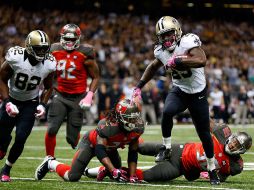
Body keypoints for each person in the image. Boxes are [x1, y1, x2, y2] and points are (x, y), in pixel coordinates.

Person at [131, 16, 220, 184]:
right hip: (179, 90)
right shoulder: (160, 51)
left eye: (169, 33)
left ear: (177, 31)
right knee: (167, 112)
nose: (166, 38)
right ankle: (166, 147)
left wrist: (180, 60)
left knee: (204, 134)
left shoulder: (187, 42)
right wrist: (139, 86)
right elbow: (152, 67)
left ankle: (211, 167)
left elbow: (202, 60)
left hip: (198, 93)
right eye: (162, 35)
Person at [86, 120, 252, 183]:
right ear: (232, 137)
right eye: (235, 142)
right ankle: (120, 138)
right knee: (140, 147)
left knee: (145, 177)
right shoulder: (221, 132)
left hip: (179, 168)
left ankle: (105, 170)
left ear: (241, 152)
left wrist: (209, 174)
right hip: (177, 149)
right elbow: (203, 117)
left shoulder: (235, 165)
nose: (233, 146)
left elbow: (223, 175)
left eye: (238, 147)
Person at [35, 99, 145, 183]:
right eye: (130, 118)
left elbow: (133, 152)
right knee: (72, 177)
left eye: (135, 117)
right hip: (91, 145)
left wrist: (132, 175)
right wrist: (112, 169)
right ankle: (51, 163)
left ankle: (89, 171)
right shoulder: (107, 126)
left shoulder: (137, 127)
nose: (134, 121)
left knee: (118, 175)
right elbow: (99, 150)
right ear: (120, 117)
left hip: (110, 149)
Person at [0, 30, 56, 182]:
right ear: (29, 47)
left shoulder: (49, 63)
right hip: (12, 98)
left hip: (30, 103)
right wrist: (7, 102)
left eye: (45, 48)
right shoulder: (16, 57)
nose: (43, 52)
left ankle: (6, 170)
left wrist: (43, 104)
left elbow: (49, 86)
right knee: (2, 138)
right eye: (39, 48)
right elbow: (2, 78)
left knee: (21, 138)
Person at [45, 24, 100, 157]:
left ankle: (74, 136)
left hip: (78, 98)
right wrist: (43, 98)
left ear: (78, 39)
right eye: (66, 39)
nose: (69, 42)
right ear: (61, 38)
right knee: (52, 128)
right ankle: (49, 158)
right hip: (60, 95)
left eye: (72, 39)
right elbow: (47, 74)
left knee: (72, 139)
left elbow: (96, 77)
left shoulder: (85, 53)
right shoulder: (53, 50)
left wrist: (89, 95)